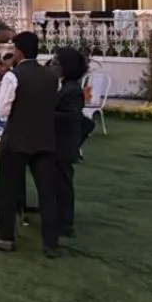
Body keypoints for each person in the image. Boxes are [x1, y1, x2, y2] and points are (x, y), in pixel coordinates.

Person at [0, 31, 60, 259]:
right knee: (47, 192)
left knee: (7, 189)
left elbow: (1, 110)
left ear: (19, 51)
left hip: (17, 139)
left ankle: (6, 237)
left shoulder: (13, 76)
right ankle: (51, 243)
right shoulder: (51, 76)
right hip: (44, 138)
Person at [52, 47, 91, 239]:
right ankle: (61, 219)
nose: (53, 65)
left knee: (63, 183)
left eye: (57, 62)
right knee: (60, 182)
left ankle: (64, 222)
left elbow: (67, 116)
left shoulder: (71, 90)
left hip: (63, 143)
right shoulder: (68, 87)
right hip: (62, 141)